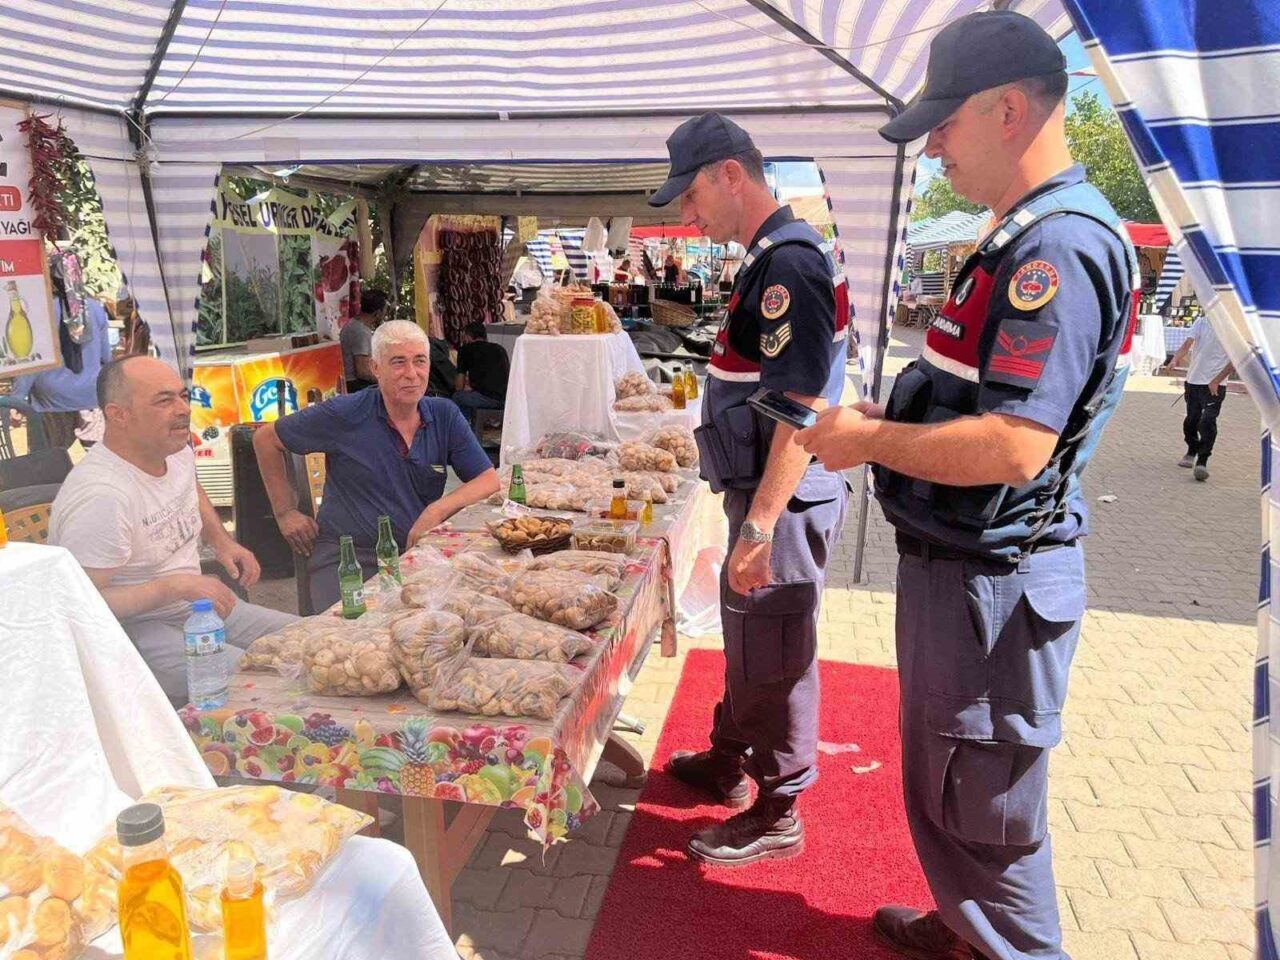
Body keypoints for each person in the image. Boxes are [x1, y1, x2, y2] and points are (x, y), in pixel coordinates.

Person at [797, 13, 1140, 960]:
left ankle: (1006, 943)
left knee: (986, 813)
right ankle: (963, 933)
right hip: (968, 575)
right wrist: (885, 421)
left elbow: (1015, 447)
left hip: (994, 587)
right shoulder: (1019, 235)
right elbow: (970, 399)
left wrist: (868, 440)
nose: (936, 147)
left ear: (1007, 109)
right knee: (956, 784)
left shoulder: (1056, 249)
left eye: (945, 125)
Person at [646, 113, 851, 866]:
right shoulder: (772, 256)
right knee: (749, 637)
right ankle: (730, 757)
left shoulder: (789, 264)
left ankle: (779, 805)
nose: (690, 217)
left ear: (732, 173)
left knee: (776, 647)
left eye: (693, 196)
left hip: (783, 496)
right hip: (763, 488)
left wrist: (761, 525)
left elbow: (799, 412)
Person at [49, 356, 295, 700]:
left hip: (196, 609)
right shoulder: (102, 497)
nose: (183, 409)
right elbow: (77, 604)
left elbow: (189, 488)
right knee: (260, 683)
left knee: (311, 640)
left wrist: (222, 541)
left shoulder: (173, 448)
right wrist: (174, 586)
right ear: (118, 414)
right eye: (164, 400)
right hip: (131, 631)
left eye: (183, 396)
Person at [253, 320, 501, 611]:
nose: (412, 374)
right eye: (398, 363)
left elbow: (488, 479)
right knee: (353, 644)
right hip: (350, 560)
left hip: (414, 556)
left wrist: (437, 510)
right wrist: (285, 512)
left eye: (419, 361)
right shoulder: (345, 413)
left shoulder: (443, 414)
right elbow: (265, 439)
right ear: (375, 369)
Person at [10, 285, 112, 450]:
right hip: (91, 396)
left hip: (51, 401)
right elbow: (106, 356)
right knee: (100, 463)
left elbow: (32, 362)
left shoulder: (40, 311)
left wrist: (17, 399)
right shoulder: (95, 307)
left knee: (47, 465)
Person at [1167, 313, 1233, 481]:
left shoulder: (1233, 327)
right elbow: (1187, 345)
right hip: (1194, 381)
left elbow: (1235, 360)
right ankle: (1192, 449)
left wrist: (1217, 380)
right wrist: (1175, 359)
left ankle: (1202, 462)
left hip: (1215, 385)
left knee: (1207, 421)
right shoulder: (1202, 322)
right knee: (1191, 421)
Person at [452, 322, 509, 435]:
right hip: (505, 399)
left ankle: (463, 434)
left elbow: (459, 386)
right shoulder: (499, 348)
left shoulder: (465, 350)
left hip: (486, 399)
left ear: (467, 336)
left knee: (457, 397)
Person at [339, 288, 387, 393]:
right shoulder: (361, 332)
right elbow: (362, 371)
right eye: (384, 311)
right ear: (378, 312)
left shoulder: (352, 324)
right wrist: (386, 381)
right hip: (356, 385)